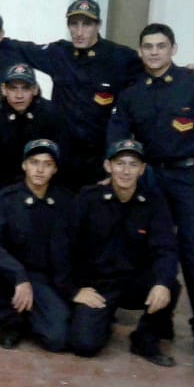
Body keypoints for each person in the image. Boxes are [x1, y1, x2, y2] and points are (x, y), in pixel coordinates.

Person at [107, 23, 194, 356]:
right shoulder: (133, 93)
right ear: (140, 51)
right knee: (147, 247)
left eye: (160, 46)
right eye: (148, 46)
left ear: (173, 49)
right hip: (150, 179)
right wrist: (117, 170)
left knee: (193, 253)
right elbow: (117, 134)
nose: (154, 52)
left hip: (190, 179)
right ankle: (160, 318)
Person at [0, 0, 144, 187]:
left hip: (99, 159)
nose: (79, 32)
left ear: (98, 25)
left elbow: (152, 71)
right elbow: (19, 49)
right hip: (62, 158)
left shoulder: (119, 57)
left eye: (87, 25)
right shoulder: (59, 53)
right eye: (74, 24)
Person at [69, 139, 181, 367]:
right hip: (97, 285)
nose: (126, 171)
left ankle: (145, 339)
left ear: (142, 169)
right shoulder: (88, 199)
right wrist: (74, 289)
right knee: (84, 346)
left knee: (170, 285)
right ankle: (103, 321)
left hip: (133, 282)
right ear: (108, 166)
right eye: (120, 163)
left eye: (132, 164)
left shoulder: (153, 203)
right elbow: (65, 246)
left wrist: (162, 283)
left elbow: (166, 249)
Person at [0, 139, 73, 351]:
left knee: (57, 340)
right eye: (34, 162)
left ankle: (28, 316)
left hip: (44, 279)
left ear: (55, 169)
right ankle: (9, 323)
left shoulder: (65, 202)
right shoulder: (6, 198)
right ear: (24, 165)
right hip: (9, 273)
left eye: (47, 164)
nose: (40, 170)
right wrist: (18, 275)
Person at [0, 63, 68, 201]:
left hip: (45, 192)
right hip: (3, 195)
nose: (19, 95)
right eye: (13, 88)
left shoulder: (51, 118)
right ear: (4, 90)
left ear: (35, 89)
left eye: (25, 88)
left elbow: (62, 163)